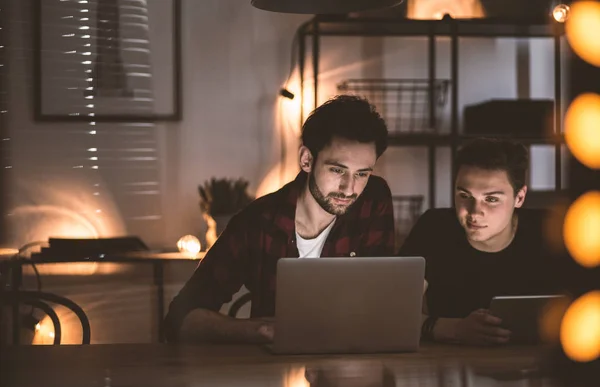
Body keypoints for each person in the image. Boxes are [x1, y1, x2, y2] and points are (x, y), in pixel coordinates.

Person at [164, 95, 396, 344]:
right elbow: (179, 319)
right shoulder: (257, 223)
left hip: (355, 364)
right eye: (337, 170)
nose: (349, 188)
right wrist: (258, 330)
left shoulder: (373, 199)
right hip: (277, 372)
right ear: (307, 160)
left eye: (362, 174)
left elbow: (381, 299)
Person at [399, 138, 563, 346]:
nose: (474, 212)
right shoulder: (435, 228)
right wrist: (454, 329)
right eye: (464, 195)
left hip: (538, 361)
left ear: (519, 198)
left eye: (491, 199)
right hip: (447, 362)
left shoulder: (550, 230)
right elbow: (392, 314)